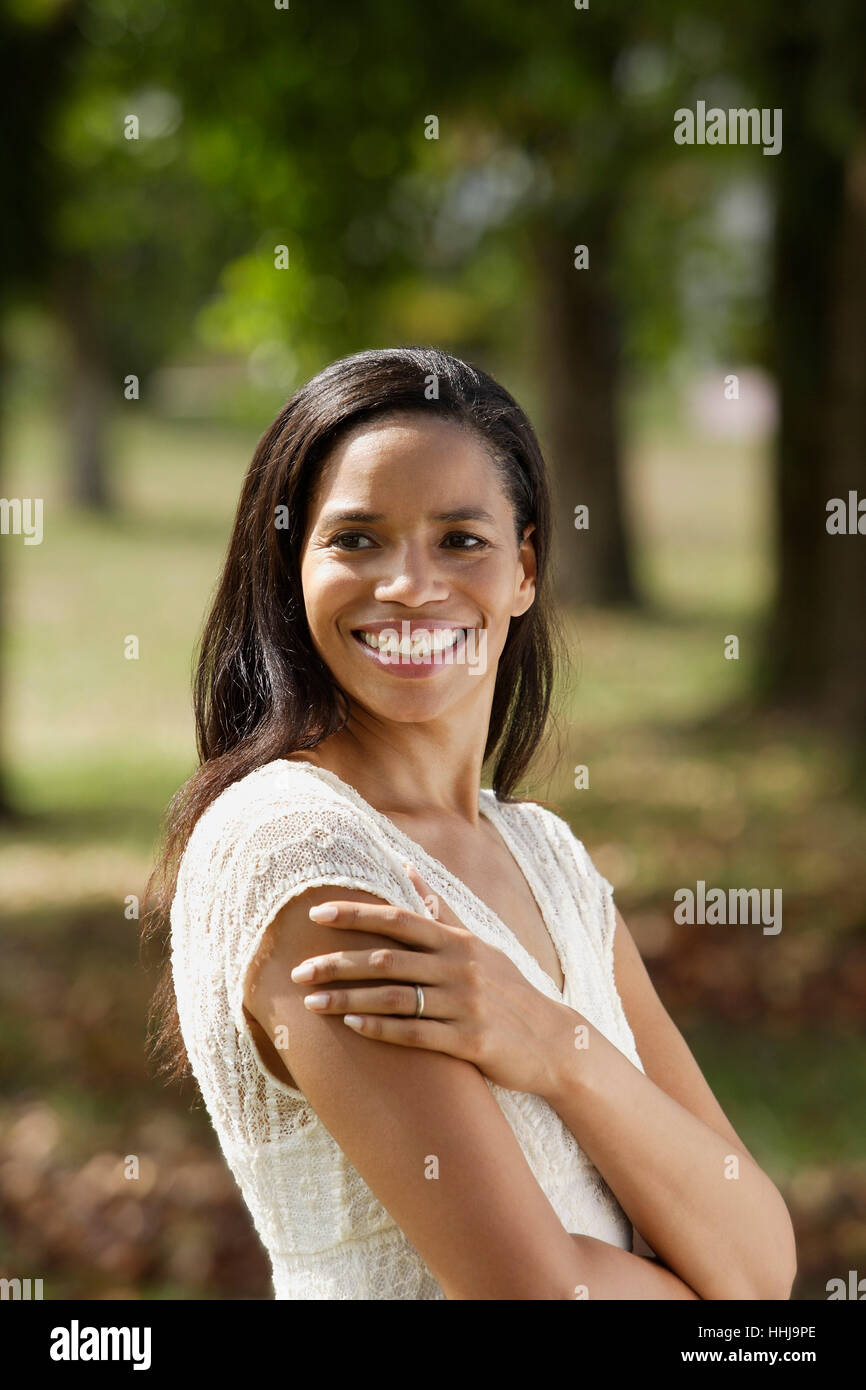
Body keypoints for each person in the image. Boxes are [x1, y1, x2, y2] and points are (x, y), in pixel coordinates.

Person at [145, 345, 796, 1300]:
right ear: (291, 570)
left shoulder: (547, 856)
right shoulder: (296, 847)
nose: (410, 585)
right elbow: (533, 1294)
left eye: (461, 540)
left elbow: (763, 1263)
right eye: (357, 540)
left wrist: (554, 1042)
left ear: (524, 570)